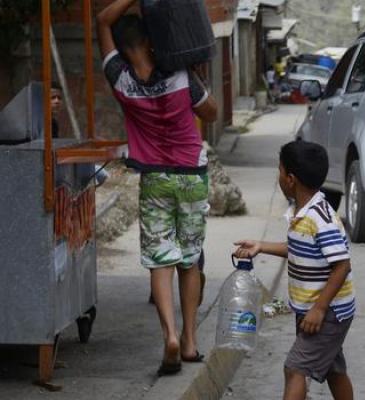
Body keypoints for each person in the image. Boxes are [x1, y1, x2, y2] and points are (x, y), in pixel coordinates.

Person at [96, 0, 218, 376]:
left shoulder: (120, 80)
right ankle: (191, 340)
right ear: (152, 43)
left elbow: (102, 20)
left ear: (121, 47)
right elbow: (211, 113)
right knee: (189, 257)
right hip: (191, 176)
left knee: (160, 258)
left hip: (155, 179)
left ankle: (168, 335)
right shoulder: (181, 76)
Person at [234, 140, 355, 400]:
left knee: (294, 368)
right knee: (333, 369)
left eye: (279, 170)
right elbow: (299, 249)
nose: (278, 176)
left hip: (328, 311)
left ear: (290, 179)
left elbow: (342, 265)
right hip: (313, 309)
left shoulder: (320, 219)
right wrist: (261, 246)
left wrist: (319, 309)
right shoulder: (302, 212)